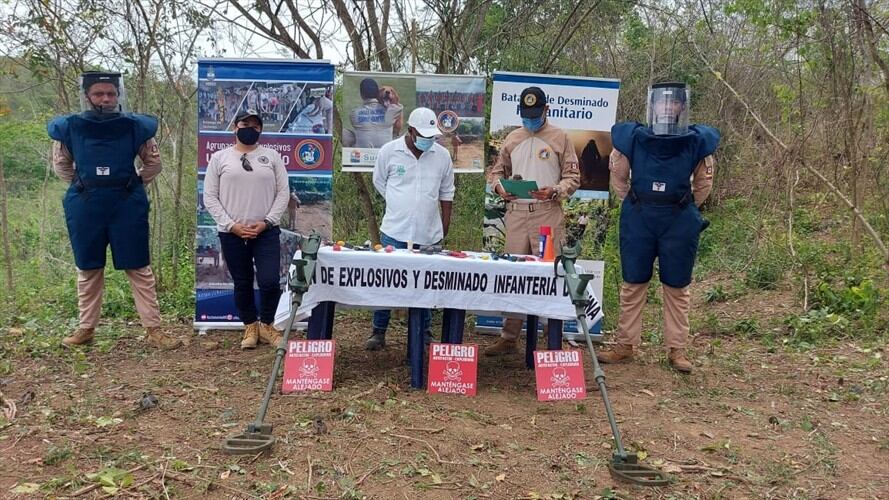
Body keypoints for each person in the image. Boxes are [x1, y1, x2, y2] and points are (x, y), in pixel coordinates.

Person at [47, 71, 181, 349]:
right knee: (88, 267)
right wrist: (85, 184)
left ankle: (154, 329)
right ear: (88, 96)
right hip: (85, 204)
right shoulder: (69, 127)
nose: (105, 99)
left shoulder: (136, 127)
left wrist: (130, 183)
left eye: (110, 93)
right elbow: (61, 165)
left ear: (118, 96)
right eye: (99, 94)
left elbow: (153, 164)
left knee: (138, 265)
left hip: (126, 204)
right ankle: (86, 328)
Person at [596, 82, 720, 373]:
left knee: (677, 285)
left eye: (673, 102)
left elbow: (704, 184)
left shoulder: (697, 141)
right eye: (662, 102)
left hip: (678, 220)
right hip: (640, 217)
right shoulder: (633, 138)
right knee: (633, 282)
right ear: (652, 105)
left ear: (681, 107)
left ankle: (677, 350)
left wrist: (684, 208)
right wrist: (637, 203)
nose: (667, 106)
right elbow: (618, 177)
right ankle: (625, 345)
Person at [484, 86, 581, 356]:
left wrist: (556, 190)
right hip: (516, 215)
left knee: (551, 276)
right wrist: (498, 188)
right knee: (514, 276)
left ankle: (553, 338)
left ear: (546, 110)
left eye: (535, 115)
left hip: (547, 214)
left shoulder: (560, 137)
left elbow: (573, 178)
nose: (530, 120)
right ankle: (509, 337)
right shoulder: (512, 138)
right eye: (526, 115)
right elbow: (495, 173)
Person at [367, 107, 455, 350]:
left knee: (427, 285)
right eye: (423, 135)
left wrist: (444, 223)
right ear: (410, 131)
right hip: (395, 231)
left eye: (432, 136)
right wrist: (399, 203)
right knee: (386, 283)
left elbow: (447, 191)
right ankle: (379, 330)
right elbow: (379, 181)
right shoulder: (389, 151)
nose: (428, 140)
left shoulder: (442, 156)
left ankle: (424, 331)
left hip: (429, 234)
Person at [203, 110, 290, 350]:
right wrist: (232, 225)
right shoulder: (220, 158)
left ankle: (267, 324)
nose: (249, 127)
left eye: (255, 125)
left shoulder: (272, 157)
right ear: (235, 127)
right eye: (245, 123)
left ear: (260, 130)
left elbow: (283, 193)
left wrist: (268, 221)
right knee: (242, 281)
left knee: (270, 281)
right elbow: (210, 197)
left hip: (266, 230)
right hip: (232, 232)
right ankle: (250, 326)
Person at [348, 78, 403, 148]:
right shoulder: (392, 111)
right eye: (383, 90)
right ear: (377, 93)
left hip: (363, 154)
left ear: (361, 95)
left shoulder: (354, 113)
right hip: (384, 152)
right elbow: (398, 106)